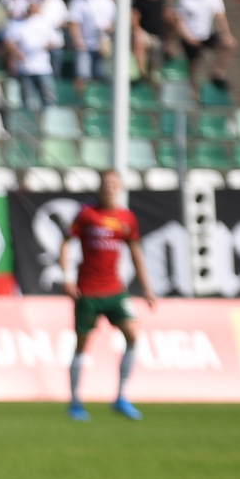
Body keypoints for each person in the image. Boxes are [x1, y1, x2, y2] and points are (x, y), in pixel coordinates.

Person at [62, 170, 152, 423]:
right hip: (88, 291)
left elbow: (135, 252)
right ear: (99, 187)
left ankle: (121, 396)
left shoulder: (126, 218)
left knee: (133, 334)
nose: (109, 188)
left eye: (113, 184)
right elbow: (65, 242)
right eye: (105, 184)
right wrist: (67, 278)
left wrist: (147, 288)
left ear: (120, 187)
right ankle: (75, 401)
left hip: (115, 290)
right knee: (82, 344)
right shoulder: (86, 214)